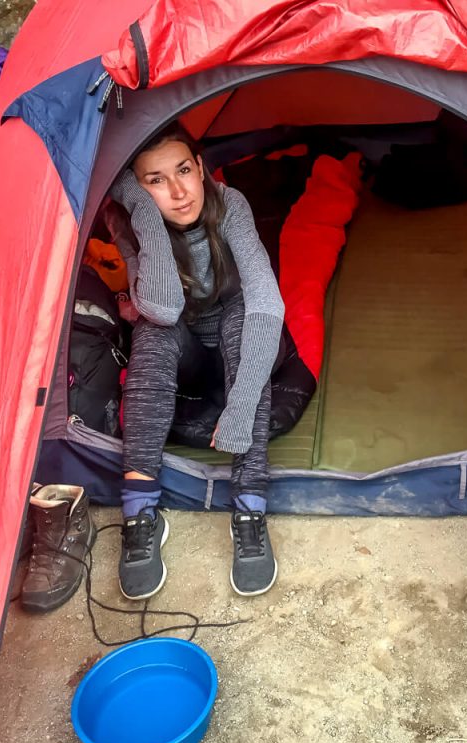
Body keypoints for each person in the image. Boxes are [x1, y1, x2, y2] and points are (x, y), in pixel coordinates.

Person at [106, 122, 284, 600]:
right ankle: (140, 513)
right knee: (154, 329)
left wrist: (241, 408)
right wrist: (141, 210)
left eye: (185, 170)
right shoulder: (127, 219)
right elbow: (162, 305)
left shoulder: (231, 205)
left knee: (248, 318)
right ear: (134, 188)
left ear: (201, 167)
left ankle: (249, 506)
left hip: (232, 331)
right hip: (181, 349)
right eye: (156, 180)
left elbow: (269, 304)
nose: (180, 192)